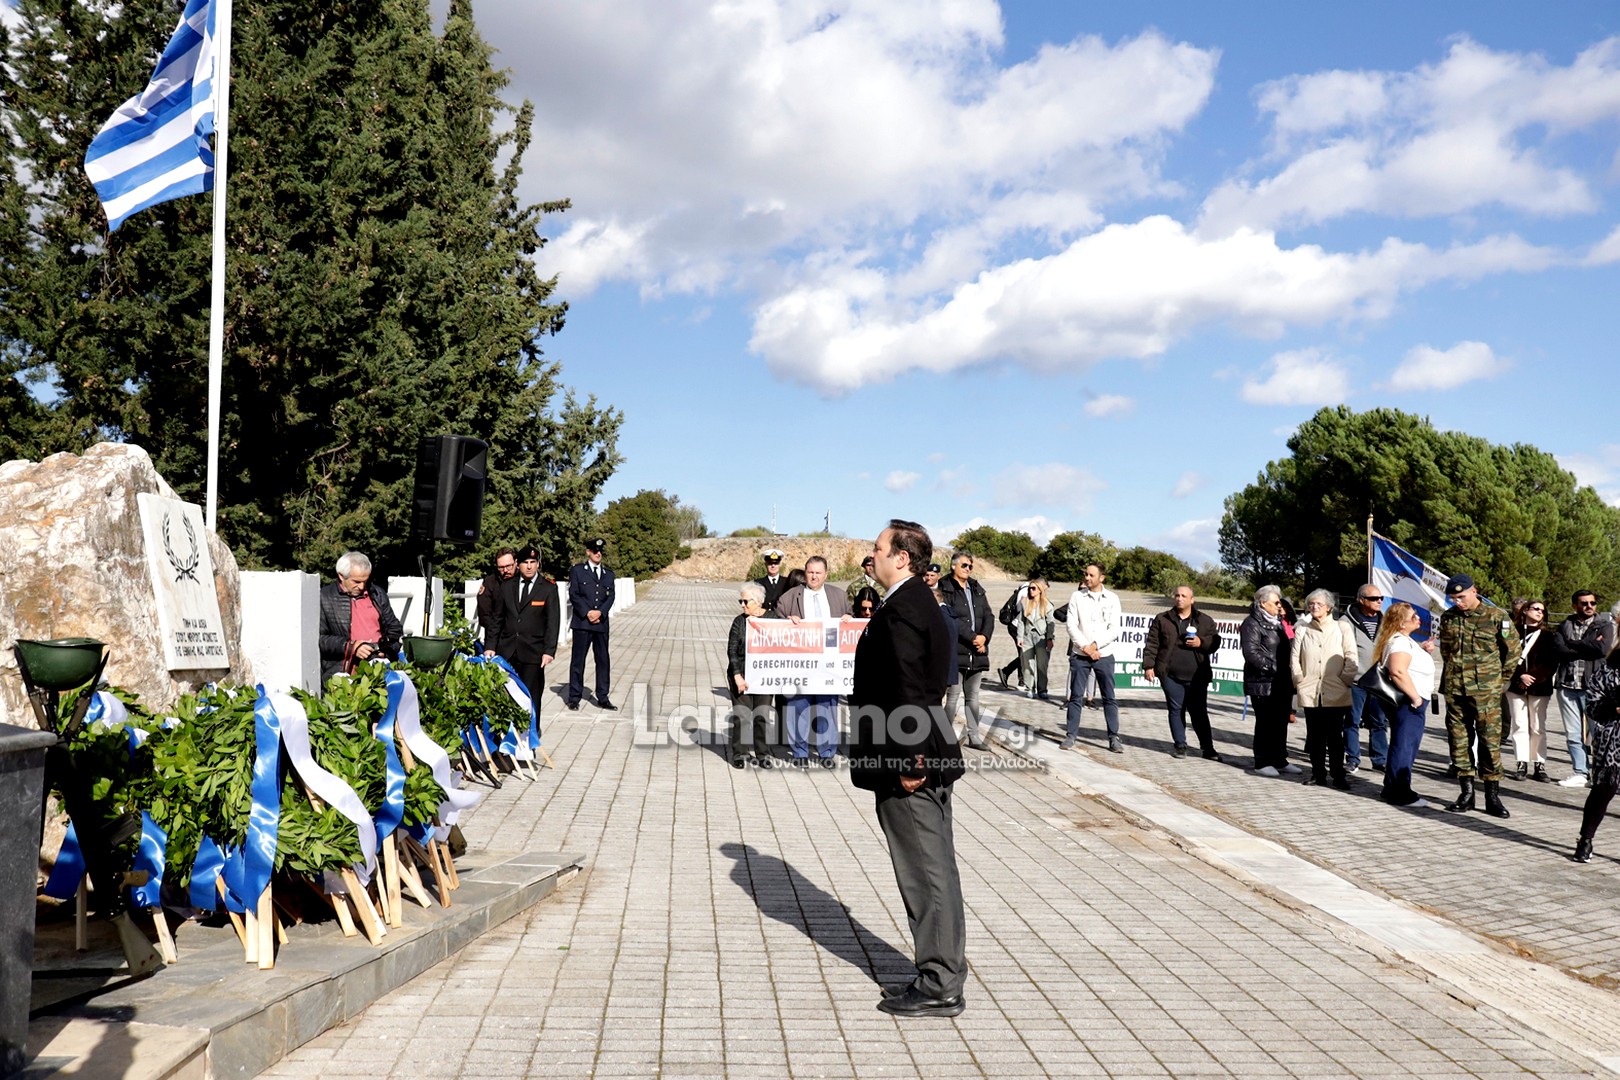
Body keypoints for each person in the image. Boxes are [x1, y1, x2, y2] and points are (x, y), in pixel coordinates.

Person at [847, 519, 966, 1018]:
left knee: (925, 872)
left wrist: (911, 759)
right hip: (917, 752)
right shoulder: (911, 602)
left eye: (878, 548)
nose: (870, 555)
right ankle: (941, 972)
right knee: (934, 868)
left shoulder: (905, 610)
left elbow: (911, 690)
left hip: (911, 762)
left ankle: (940, 982)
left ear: (902, 558)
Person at [1437, 573, 1520, 817]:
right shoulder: (1449, 617)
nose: (1458, 602)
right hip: (1456, 690)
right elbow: (1446, 651)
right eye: (1453, 598)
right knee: (1459, 740)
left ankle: (1492, 796)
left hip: (1486, 691)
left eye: (1461, 597)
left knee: (1489, 742)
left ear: (1474, 591)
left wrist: (1500, 680)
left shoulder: (1496, 616)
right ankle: (1466, 793)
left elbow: (1512, 651)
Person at [775, 556, 850, 768]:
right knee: (798, 707)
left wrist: (848, 619)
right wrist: (786, 622)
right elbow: (775, 624)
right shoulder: (789, 597)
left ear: (826, 575)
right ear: (805, 573)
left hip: (829, 665)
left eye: (818, 573)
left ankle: (827, 752)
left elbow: (851, 624)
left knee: (827, 708)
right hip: (800, 665)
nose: (814, 576)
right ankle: (800, 752)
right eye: (810, 572)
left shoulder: (839, 596)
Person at [1142, 585, 1222, 760]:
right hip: (1170, 675)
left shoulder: (1204, 620)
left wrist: (1201, 642)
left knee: (1199, 712)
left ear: (1192, 600)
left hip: (1197, 677)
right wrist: (1148, 666)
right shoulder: (1162, 619)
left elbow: (1215, 642)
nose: (1179, 598)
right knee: (1176, 709)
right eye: (1177, 595)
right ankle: (1180, 745)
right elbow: (1152, 643)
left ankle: (1208, 748)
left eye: (1184, 596)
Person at [1290, 589, 1358, 789]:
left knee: (1335, 736)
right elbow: (1294, 659)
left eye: (1319, 604)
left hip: (1335, 690)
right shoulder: (1302, 629)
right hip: (1311, 691)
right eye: (1311, 604)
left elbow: (1351, 657)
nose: (1314, 607)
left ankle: (1338, 775)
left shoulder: (1342, 627)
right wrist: (1299, 680)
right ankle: (1317, 773)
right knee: (1315, 736)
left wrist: (1344, 680)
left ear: (1329, 607)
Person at [1372, 601, 1434, 809]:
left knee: (1404, 743)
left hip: (1409, 701)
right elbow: (1397, 671)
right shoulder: (1399, 642)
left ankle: (1392, 787)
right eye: (1413, 617)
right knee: (1405, 745)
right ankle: (1399, 792)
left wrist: (1422, 649)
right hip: (1408, 702)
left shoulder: (1403, 640)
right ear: (1400, 623)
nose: (1418, 619)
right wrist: (1415, 697)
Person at [1571, 606, 1620, 862]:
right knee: (1603, 790)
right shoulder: (1611, 666)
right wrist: (1614, 707)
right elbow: (1592, 703)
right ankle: (1585, 839)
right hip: (1614, 738)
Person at [1061, 564, 1122, 753]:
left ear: (1101, 578)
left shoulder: (1112, 598)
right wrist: (1086, 647)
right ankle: (1070, 736)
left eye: (1091, 575)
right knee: (1076, 696)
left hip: (1104, 654)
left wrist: (1095, 646)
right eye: (1085, 574)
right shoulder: (1077, 597)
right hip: (1081, 655)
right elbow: (1071, 625)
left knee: (1109, 697)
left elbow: (1114, 629)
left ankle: (1114, 737)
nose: (1087, 578)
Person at [317, 551, 403, 683]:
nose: (362, 586)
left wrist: (384, 650)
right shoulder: (324, 597)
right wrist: (352, 647)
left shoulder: (377, 593)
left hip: (379, 670)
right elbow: (321, 639)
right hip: (343, 673)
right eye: (356, 581)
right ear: (341, 576)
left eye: (365, 581)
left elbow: (395, 629)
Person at [938, 551, 994, 750]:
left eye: (970, 566)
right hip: (956, 649)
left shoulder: (976, 587)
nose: (968, 569)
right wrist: (972, 637)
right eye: (964, 565)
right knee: (952, 696)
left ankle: (974, 736)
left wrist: (984, 637)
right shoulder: (944, 587)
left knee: (973, 697)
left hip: (977, 651)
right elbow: (950, 617)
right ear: (953, 566)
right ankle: (944, 737)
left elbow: (988, 615)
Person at [491, 544, 559, 706]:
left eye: (532, 562)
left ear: (538, 564)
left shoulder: (548, 588)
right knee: (506, 699)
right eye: (525, 562)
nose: (529, 567)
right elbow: (497, 619)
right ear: (518, 564)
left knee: (531, 698)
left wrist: (549, 651)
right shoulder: (507, 586)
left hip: (533, 653)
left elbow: (553, 622)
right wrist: (490, 647)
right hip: (507, 652)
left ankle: (532, 724)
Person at [1242, 585, 1298, 777]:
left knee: (1281, 721)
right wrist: (1271, 667)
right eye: (1275, 602)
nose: (1279, 605)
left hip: (1283, 680)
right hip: (1263, 681)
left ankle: (1279, 759)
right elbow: (1251, 652)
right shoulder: (1251, 623)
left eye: (1279, 602)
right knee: (1265, 722)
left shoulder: (1280, 622)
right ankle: (1262, 761)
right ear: (1263, 603)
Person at [1505, 598, 1557, 782]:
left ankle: (1539, 764)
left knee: (1537, 726)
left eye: (1542, 610)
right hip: (1515, 686)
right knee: (1519, 725)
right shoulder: (1513, 633)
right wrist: (1520, 676)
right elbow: (1505, 657)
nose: (1539, 612)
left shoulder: (1548, 636)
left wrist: (1531, 678)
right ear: (1525, 610)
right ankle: (1521, 762)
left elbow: (1551, 663)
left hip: (1539, 687)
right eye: (1536, 609)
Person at [1553, 590, 1601, 787]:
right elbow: (1559, 650)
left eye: (1592, 603)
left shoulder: (1603, 625)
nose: (1589, 606)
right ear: (1575, 605)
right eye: (1584, 603)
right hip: (1568, 685)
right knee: (1573, 733)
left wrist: (1572, 644)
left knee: (1598, 734)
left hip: (1594, 689)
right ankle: (1580, 772)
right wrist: (1586, 647)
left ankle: (1600, 774)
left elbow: (1601, 650)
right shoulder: (1564, 625)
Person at [1341, 584, 1390, 773]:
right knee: (1352, 721)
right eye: (1373, 598)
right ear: (1361, 600)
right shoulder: (1346, 621)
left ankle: (1380, 760)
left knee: (1379, 722)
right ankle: (1353, 759)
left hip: (1378, 681)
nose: (1379, 601)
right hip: (1356, 681)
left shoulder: (1385, 622)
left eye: (1380, 598)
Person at [726, 583, 774, 769]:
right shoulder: (739, 622)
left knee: (762, 715)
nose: (743, 605)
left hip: (764, 676)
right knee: (742, 715)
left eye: (746, 601)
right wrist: (737, 675)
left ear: (759, 602)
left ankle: (763, 754)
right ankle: (739, 753)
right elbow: (732, 650)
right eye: (741, 601)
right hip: (742, 675)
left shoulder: (773, 619)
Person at [566, 537, 616, 711]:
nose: (598, 553)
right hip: (583, 622)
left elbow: (610, 596)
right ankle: (574, 697)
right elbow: (574, 594)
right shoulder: (578, 571)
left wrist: (600, 612)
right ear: (588, 552)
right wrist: (587, 612)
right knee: (578, 661)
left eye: (600, 551)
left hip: (601, 623)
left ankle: (603, 697)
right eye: (595, 551)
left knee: (603, 661)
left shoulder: (609, 574)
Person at [1013, 578, 1056, 702]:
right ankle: (1030, 688)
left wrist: (1050, 638)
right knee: (1027, 664)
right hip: (1027, 636)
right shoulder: (1025, 603)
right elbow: (1021, 621)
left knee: (1042, 665)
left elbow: (1051, 623)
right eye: (1029, 588)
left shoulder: (1047, 604)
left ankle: (1042, 690)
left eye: (1033, 588)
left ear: (1040, 590)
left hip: (1041, 637)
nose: (1031, 591)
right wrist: (1019, 637)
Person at [475, 547, 517, 649]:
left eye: (509, 566)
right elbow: (484, 614)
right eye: (501, 567)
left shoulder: (524, 581)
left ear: (516, 562)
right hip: (496, 640)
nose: (505, 571)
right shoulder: (490, 583)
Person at [997, 579, 1030, 691]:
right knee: (1025, 653)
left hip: (1019, 626)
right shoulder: (1026, 590)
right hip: (1017, 626)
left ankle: (1014, 675)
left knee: (1024, 653)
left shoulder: (1025, 588)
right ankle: (1018, 678)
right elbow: (1022, 609)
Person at [753, 549, 791, 615]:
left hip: (782, 617)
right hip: (764, 617)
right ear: (765, 564)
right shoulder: (758, 583)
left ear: (779, 564)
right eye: (770, 563)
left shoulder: (787, 582)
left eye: (776, 563)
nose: (773, 566)